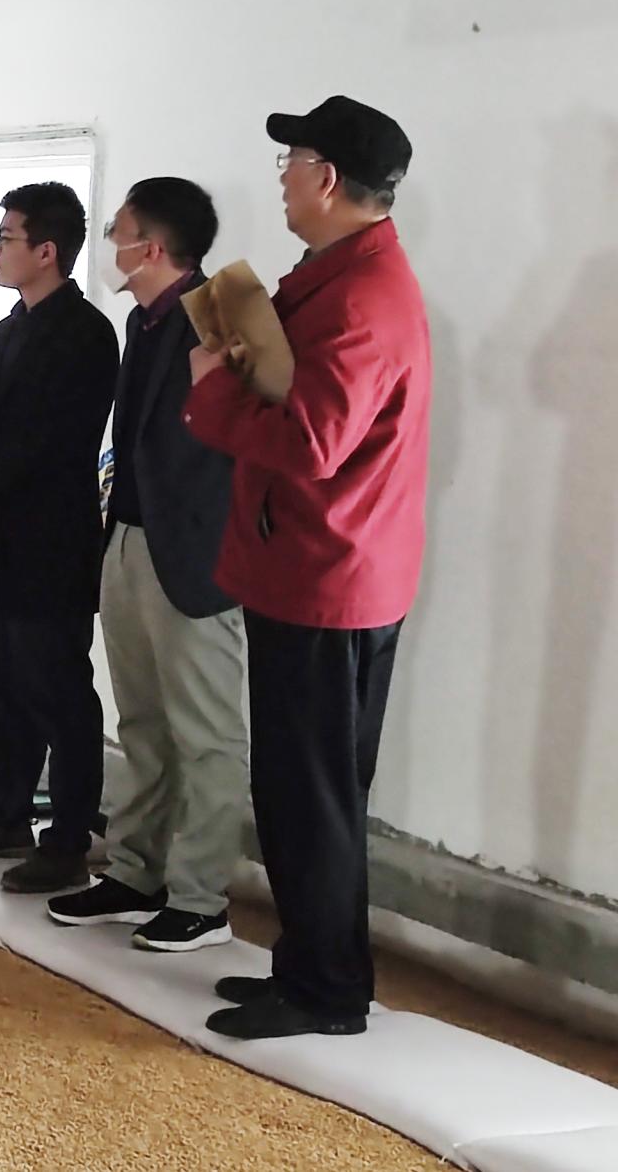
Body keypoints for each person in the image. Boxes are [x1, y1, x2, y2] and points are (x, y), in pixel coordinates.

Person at [188, 96, 429, 1040]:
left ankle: (326, 992)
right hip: (321, 568)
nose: (282, 178)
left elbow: (314, 442)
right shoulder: (344, 274)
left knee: (311, 795)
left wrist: (213, 393)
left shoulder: (362, 297)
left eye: (290, 161)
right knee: (304, 788)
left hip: (329, 579)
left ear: (326, 179)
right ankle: (309, 970)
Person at [45, 178, 246, 952]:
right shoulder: (143, 319)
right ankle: (136, 873)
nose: (110, 246)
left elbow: (247, 435)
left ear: (152, 247)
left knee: (207, 735)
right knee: (142, 724)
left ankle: (201, 898)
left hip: (193, 552)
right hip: (128, 538)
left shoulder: (223, 313)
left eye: (118, 232)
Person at [0, 182, 117, 893]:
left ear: (47, 251)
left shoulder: (87, 334)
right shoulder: (11, 327)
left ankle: (67, 841)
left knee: (57, 691)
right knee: (0, 680)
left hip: (52, 543)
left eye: (7, 238)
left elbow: (48, 443)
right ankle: (6, 815)